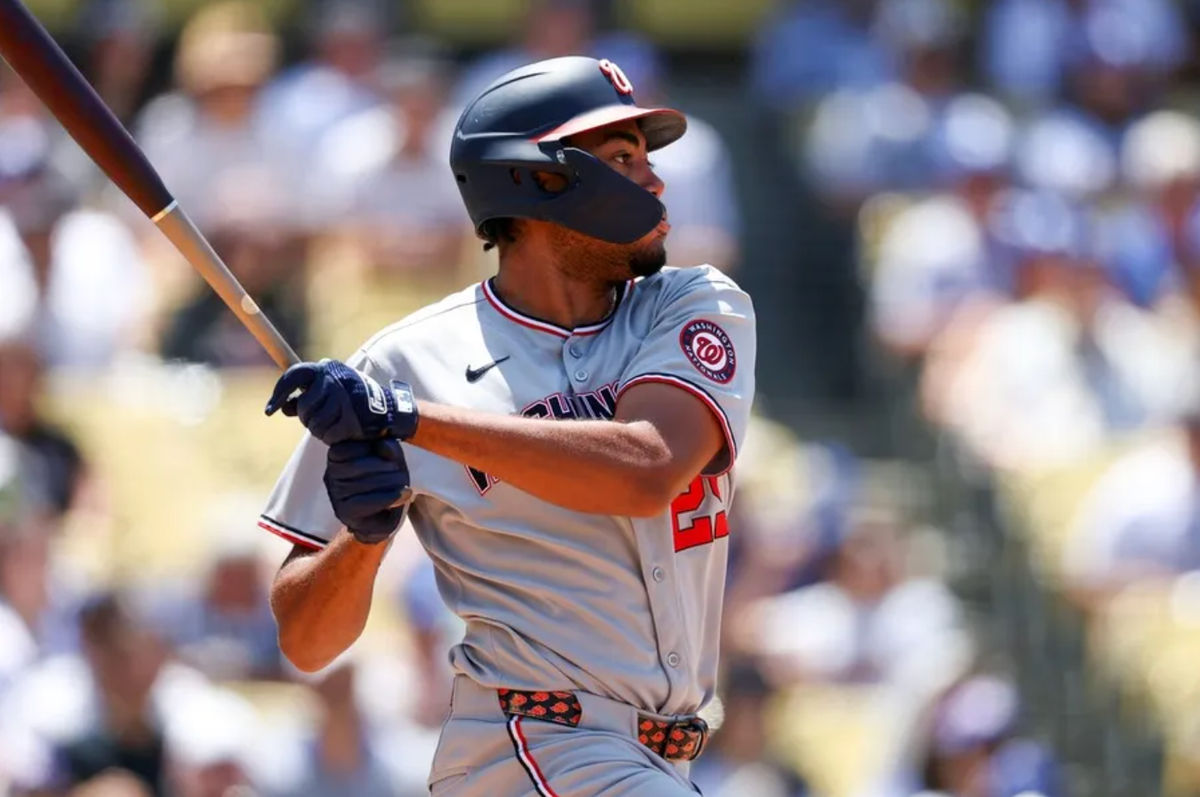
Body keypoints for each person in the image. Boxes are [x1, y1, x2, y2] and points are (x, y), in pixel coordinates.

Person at [259, 56, 757, 796]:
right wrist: (362, 541)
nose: (654, 180)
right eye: (622, 159)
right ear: (538, 180)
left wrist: (410, 421)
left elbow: (647, 468)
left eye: (647, 158)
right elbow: (305, 638)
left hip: (664, 755)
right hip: (527, 742)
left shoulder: (692, 303)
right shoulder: (405, 361)